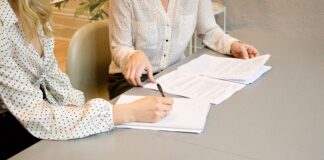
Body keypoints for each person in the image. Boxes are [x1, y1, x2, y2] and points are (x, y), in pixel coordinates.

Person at [0, 0, 173, 159]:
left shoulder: (34, 8)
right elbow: (35, 115)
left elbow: (54, 78)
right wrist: (124, 112)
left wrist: (75, 109)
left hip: (39, 111)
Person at [108, 0, 260, 99]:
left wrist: (233, 45)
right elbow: (119, 47)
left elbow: (208, 30)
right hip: (131, 81)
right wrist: (132, 56)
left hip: (174, 75)